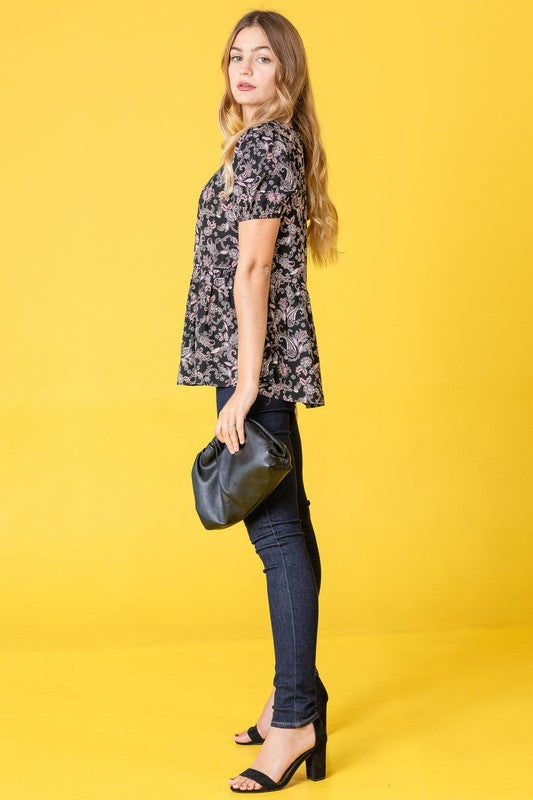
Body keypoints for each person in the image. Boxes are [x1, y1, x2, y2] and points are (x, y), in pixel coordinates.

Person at [176, 10, 338, 793]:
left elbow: (253, 269)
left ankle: (297, 720)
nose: (243, 69)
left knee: (275, 539)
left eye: (261, 58)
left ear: (286, 72)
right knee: (287, 528)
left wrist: (244, 385)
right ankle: (293, 699)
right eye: (235, 56)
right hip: (256, 359)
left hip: (256, 366)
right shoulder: (262, 143)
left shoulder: (267, 144)